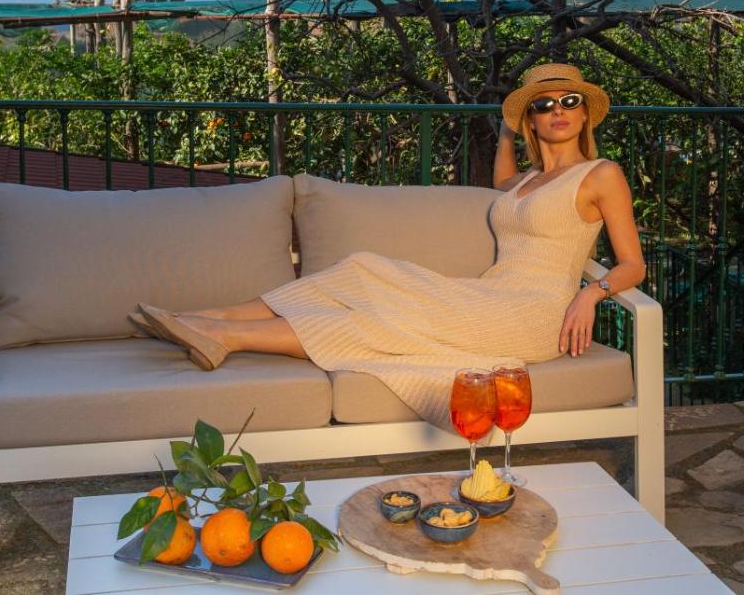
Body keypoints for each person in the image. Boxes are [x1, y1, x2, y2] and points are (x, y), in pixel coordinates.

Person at [131, 63, 646, 430]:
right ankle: (207, 318)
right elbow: (502, 186)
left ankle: (224, 335)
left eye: (570, 102)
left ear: (586, 114)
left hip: (536, 315)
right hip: (490, 295)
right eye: (544, 105)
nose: (559, 111)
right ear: (532, 118)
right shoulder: (527, 182)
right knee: (361, 266)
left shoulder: (602, 175)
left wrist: (591, 292)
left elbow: (632, 265)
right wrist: (509, 133)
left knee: (376, 320)